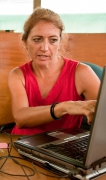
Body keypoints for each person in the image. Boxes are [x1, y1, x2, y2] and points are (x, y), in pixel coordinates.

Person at [9, 7, 100, 135]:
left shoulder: (82, 72)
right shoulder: (17, 75)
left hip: (63, 148)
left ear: (60, 42)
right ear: (25, 42)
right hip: (21, 144)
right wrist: (64, 107)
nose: (45, 48)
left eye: (53, 40)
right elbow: (21, 119)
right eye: (37, 39)